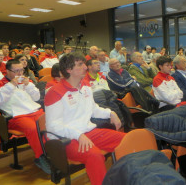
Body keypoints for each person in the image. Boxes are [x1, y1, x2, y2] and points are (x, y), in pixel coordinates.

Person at [44, 52, 125, 185]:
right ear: (69, 70)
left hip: (88, 132)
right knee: (95, 156)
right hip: (65, 139)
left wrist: (111, 113)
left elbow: (93, 110)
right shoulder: (55, 92)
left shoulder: (85, 86)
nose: (85, 67)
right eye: (80, 64)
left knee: (126, 140)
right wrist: (78, 134)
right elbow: (53, 127)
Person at [0, 59, 49, 174]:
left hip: (34, 112)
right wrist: (11, 85)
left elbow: (37, 97)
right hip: (16, 117)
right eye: (16, 71)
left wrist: (29, 86)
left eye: (21, 70)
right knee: (33, 129)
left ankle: (52, 153)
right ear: (7, 71)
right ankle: (41, 157)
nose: (20, 73)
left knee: (51, 123)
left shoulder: (26, 82)